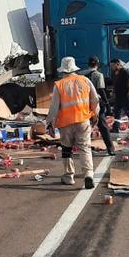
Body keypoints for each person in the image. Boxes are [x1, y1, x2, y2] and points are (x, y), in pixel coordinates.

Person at [47, 56, 99, 188]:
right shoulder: (85, 80)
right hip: (83, 120)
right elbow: (94, 99)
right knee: (85, 148)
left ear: (62, 70)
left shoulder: (59, 85)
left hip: (65, 123)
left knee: (66, 149)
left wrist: (50, 124)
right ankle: (88, 174)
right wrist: (95, 114)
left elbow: (54, 107)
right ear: (74, 68)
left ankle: (69, 176)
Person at [85, 56, 115, 156]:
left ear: (88, 64)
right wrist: (107, 104)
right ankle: (110, 149)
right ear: (97, 65)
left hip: (84, 104)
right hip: (96, 104)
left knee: (85, 127)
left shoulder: (81, 75)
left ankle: (84, 148)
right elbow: (101, 90)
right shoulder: (98, 75)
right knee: (103, 126)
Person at [109, 58, 129, 134]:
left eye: (113, 65)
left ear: (117, 64)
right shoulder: (114, 73)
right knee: (117, 112)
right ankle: (116, 128)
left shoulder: (125, 71)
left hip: (126, 96)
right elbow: (114, 84)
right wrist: (113, 93)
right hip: (118, 96)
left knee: (128, 111)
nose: (111, 67)